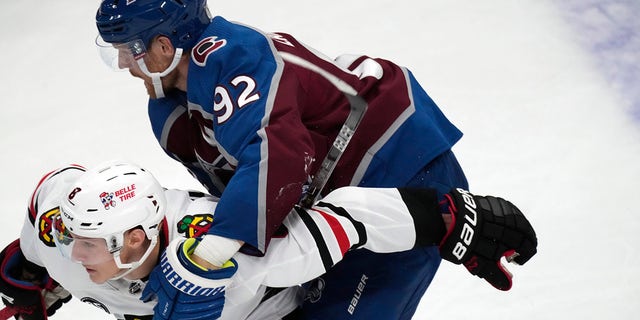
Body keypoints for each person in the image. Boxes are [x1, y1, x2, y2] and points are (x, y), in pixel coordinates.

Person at [94, 1, 523, 318]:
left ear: (164, 46)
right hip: (336, 199)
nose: (122, 63)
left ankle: (445, 218)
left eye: (128, 50)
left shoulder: (232, 60)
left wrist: (207, 259)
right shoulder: (170, 105)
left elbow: (276, 157)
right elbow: (242, 183)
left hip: (395, 167)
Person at [0, 161, 536, 320]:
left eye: (88, 243)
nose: (70, 252)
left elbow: (342, 219)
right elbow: (29, 258)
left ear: (135, 242)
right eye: (72, 235)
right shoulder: (56, 218)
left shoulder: (215, 254)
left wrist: (449, 218)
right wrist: (25, 288)